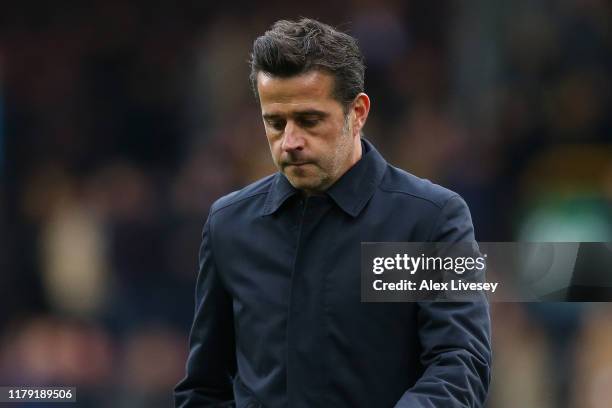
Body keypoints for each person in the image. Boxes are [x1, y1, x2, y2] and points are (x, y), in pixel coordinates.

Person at [175, 18, 491, 408]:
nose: (289, 142)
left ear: (357, 112)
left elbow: (460, 366)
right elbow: (204, 387)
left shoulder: (429, 220)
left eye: (309, 120)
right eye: (275, 123)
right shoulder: (229, 225)